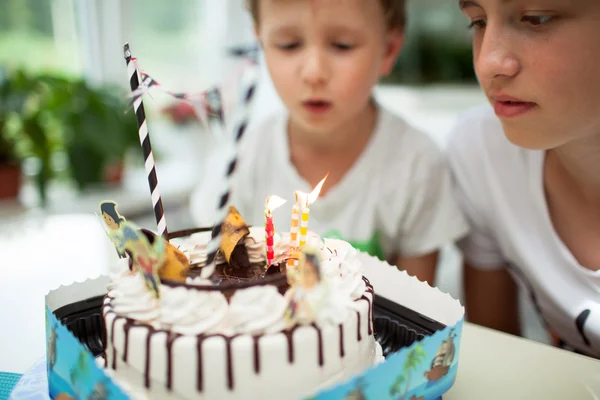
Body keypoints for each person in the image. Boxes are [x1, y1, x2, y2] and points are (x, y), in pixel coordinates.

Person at [191, 0, 468, 285]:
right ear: (260, 43)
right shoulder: (238, 162)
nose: (314, 73)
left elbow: (414, 315)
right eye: (288, 45)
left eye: (342, 45)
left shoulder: (416, 165)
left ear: (388, 50)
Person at [449, 0, 600, 356]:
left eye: (537, 18)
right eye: (478, 22)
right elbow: (499, 362)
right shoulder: (484, 152)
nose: (487, 63)